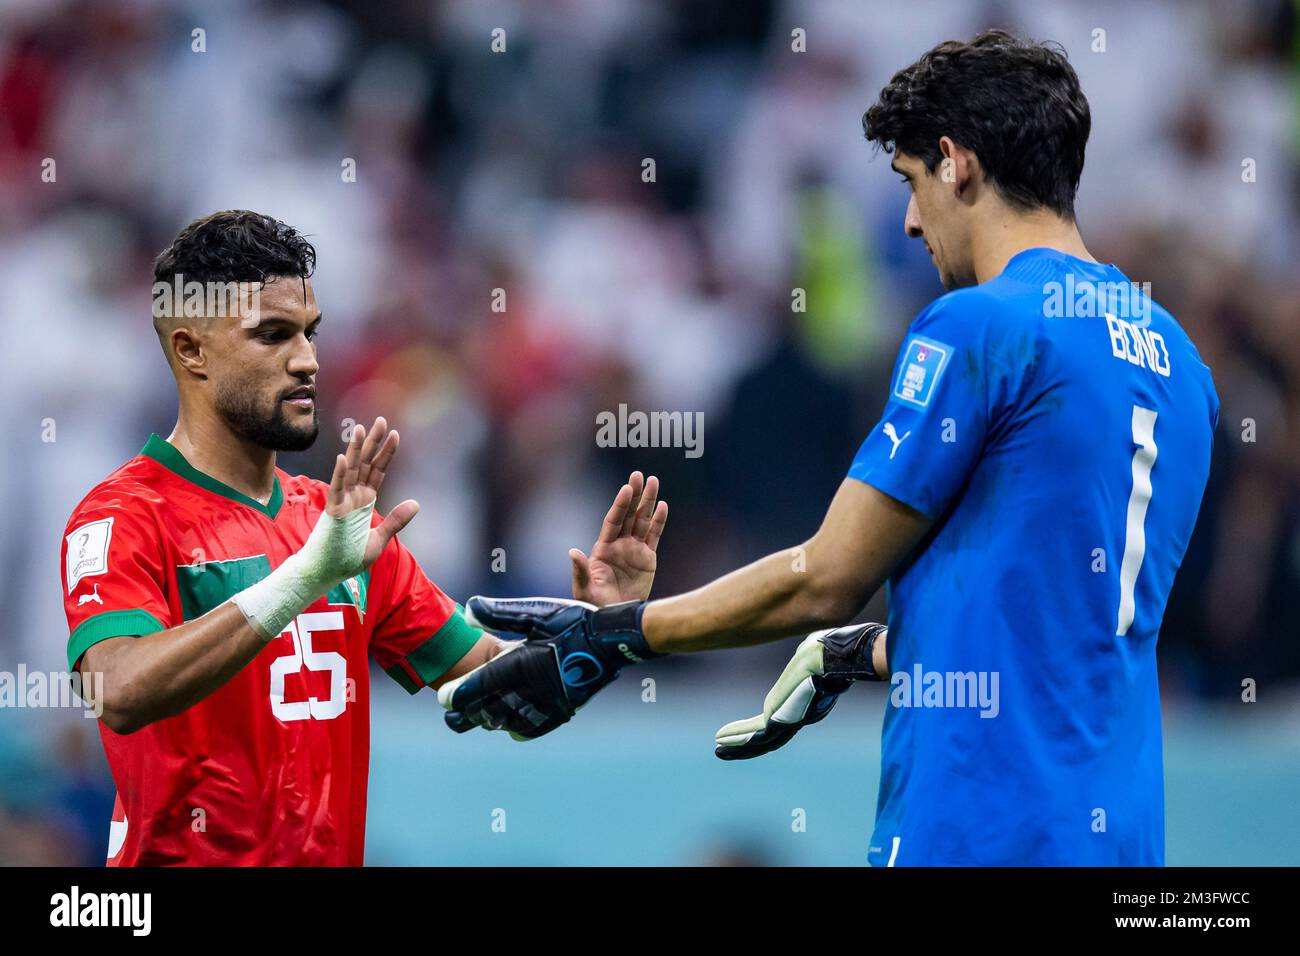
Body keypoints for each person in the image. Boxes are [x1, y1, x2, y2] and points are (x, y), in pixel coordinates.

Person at [439, 30, 1219, 866]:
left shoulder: (981, 325)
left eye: (911, 182)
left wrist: (617, 633)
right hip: (1123, 839)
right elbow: (1062, 624)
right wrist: (865, 649)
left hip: (976, 827)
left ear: (957, 163)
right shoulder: (1180, 364)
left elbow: (828, 577)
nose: (913, 221)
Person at [59, 210, 668, 865]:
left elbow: (507, 696)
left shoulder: (340, 528)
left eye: (311, 334)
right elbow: (115, 692)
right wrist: (304, 577)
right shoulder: (125, 515)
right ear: (190, 349)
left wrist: (606, 634)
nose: (307, 360)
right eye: (273, 335)